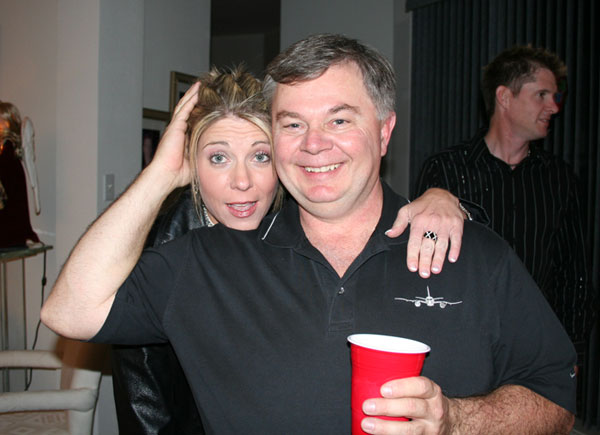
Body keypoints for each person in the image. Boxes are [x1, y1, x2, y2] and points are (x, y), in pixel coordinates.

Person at [41, 34, 576, 434]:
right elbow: (68, 312)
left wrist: (456, 420)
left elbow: (555, 399)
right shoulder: (203, 260)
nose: (313, 144)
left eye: (339, 120)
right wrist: (160, 175)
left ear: (384, 130)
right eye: (292, 123)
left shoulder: (471, 252)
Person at [111, 66, 469, 434]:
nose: (242, 182)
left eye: (261, 156)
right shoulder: (172, 245)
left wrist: (441, 199)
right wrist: (159, 173)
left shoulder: (291, 221)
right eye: (219, 158)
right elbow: (144, 390)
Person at [414, 45, 596, 362]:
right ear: (505, 97)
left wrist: (573, 351)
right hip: (459, 343)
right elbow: (422, 260)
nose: (554, 107)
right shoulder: (445, 170)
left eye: (554, 97)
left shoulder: (559, 178)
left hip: (535, 349)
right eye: (541, 95)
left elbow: (573, 273)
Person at [0, 101, 40, 248]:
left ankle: (14, 235)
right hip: (7, 176)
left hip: (10, 175)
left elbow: (4, 164)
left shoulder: (8, 144)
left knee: (12, 209)